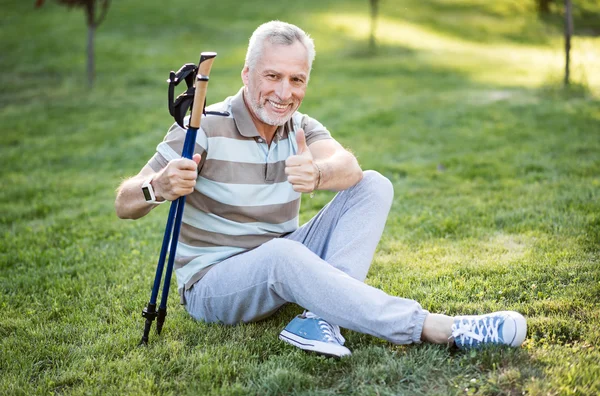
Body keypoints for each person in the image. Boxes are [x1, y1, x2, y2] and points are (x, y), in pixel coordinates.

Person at [115, 21, 527, 357]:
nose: (283, 92)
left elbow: (348, 167)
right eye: (272, 76)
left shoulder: (301, 126)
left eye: (297, 79)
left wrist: (317, 175)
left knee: (374, 185)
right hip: (213, 285)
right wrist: (157, 187)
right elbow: (124, 201)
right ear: (246, 74)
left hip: (283, 256)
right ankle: (440, 328)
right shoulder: (204, 125)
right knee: (281, 254)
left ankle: (319, 318)